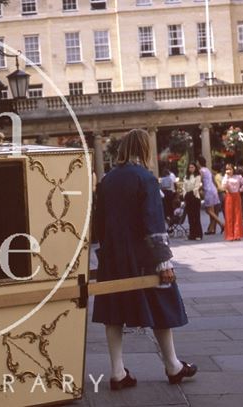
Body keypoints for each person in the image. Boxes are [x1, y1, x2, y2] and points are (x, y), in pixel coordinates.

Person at [93, 129, 196, 391]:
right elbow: (153, 221)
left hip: (112, 256)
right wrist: (164, 260)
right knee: (162, 304)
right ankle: (172, 365)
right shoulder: (146, 178)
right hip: (143, 255)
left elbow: (98, 224)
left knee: (113, 311)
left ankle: (117, 372)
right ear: (144, 149)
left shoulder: (107, 180)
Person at [196, 157, 224, 235]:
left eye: (197, 162)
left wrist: (197, 188)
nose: (196, 163)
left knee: (208, 211)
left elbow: (200, 181)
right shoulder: (207, 169)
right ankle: (211, 229)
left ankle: (221, 224)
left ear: (199, 163)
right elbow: (211, 180)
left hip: (208, 191)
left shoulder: (201, 170)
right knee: (212, 212)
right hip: (213, 190)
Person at [221, 164, 243, 241]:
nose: (228, 171)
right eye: (227, 169)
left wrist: (241, 189)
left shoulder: (238, 177)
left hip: (237, 196)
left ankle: (237, 234)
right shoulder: (225, 177)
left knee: (237, 215)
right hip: (229, 197)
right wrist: (226, 177)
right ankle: (230, 235)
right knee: (229, 216)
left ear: (233, 169)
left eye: (230, 169)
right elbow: (223, 186)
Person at [182, 163, 203, 240]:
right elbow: (184, 187)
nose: (191, 168)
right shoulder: (186, 177)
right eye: (189, 167)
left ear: (195, 168)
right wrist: (184, 195)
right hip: (188, 196)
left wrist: (192, 193)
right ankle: (192, 234)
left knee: (196, 216)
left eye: (192, 167)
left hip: (195, 196)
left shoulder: (197, 176)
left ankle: (198, 234)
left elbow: (196, 187)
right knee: (190, 217)